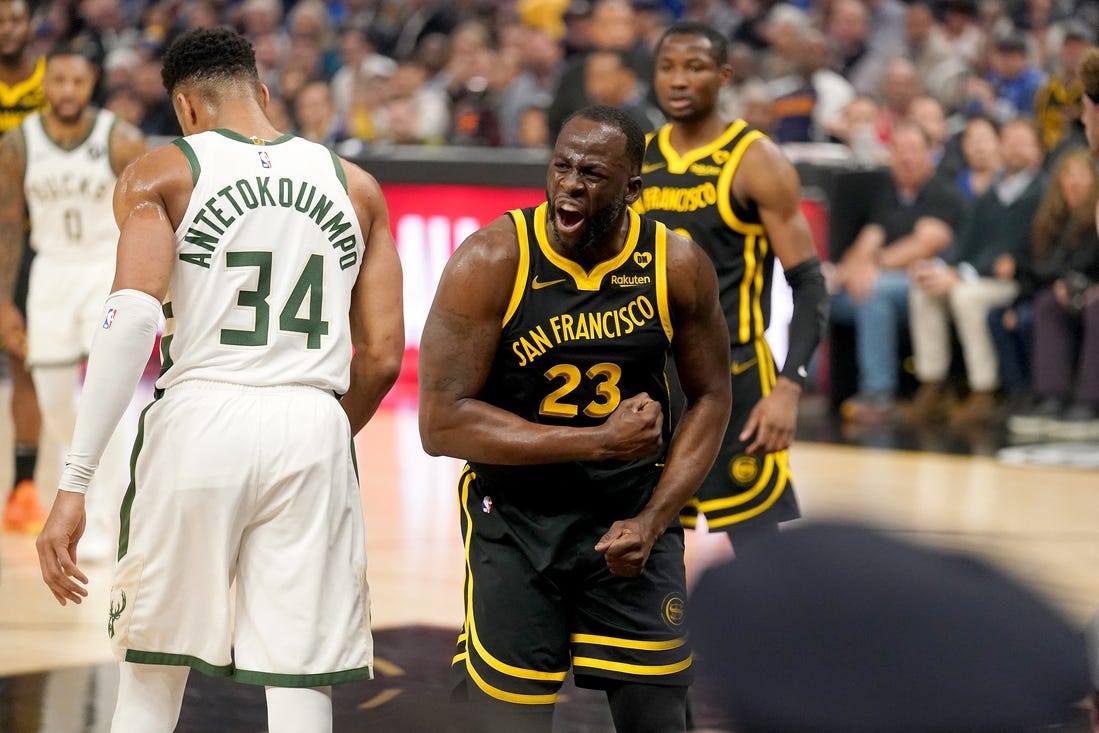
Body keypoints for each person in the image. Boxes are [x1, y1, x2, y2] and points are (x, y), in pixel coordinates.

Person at [35, 27, 404, 733]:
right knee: (300, 678)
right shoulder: (356, 187)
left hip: (200, 418)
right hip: (312, 421)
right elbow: (384, 356)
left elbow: (132, 320)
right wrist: (316, 428)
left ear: (185, 108)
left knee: (152, 671)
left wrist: (75, 482)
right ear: (263, 93)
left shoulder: (161, 174)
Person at [418, 105, 732, 733]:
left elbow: (713, 397)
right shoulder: (491, 260)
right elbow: (440, 424)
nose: (569, 184)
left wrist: (652, 520)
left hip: (630, 521)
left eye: (591, 173)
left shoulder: (674, 265)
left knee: (659, 720)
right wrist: (596, 441)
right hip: (516, 521)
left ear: (632, 189)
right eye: (561, 166)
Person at [636, 21, 828, 551]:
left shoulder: (755, 159)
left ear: (723, 77)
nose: (678, 80)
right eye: (667, 68)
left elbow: (810, 284)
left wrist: (789, 387)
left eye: (694, 68)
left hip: (736, 377)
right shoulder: (640, 158)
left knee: (758, 550)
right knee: (648, 544)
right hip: (654, 382)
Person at [0, 46, 146, 560]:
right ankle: (91, 480)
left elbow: (149, 216)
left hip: (104, 269)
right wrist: (3, 301)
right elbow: (7, 226)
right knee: (54, 399)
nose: (66, 91)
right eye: (57, 80)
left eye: (76, 82)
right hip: (50, 273)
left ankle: (109, 517)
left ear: (92, 84)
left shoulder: (121, 139)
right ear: (45, 85)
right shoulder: (19, 143)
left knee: (108, 397)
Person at [905, 118, 1046, 425]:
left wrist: (960, 274)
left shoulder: (1042, 193)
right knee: (924, 289)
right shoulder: (992, 194)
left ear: (1038, 151)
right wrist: (939, 266)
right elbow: (965, 241)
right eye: (1009, 140)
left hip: (1018, 282)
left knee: (965, 296)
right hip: (978, 275)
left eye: (1023, 142)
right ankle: (933, 382)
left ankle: (985, 388)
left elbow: (1013, 253)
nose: (1015, 148)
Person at [829, 121, 967, 422]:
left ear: (930, 154)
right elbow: (870, 237)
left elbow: (926, 243)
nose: (906, 158)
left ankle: (878, 393)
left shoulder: (941, 191)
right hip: (885, 282)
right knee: (823, 295)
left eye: (914, 151)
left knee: (874, 294)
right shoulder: (888, 194)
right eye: (899, 151)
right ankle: (798, 383)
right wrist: (847, 272)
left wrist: (872, 267)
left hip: (930, 283)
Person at [0, 0, 46, 534]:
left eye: (14, 18)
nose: (7, 28)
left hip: (30, 243)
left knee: (25, 363)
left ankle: (23, 486)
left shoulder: (51, 82)